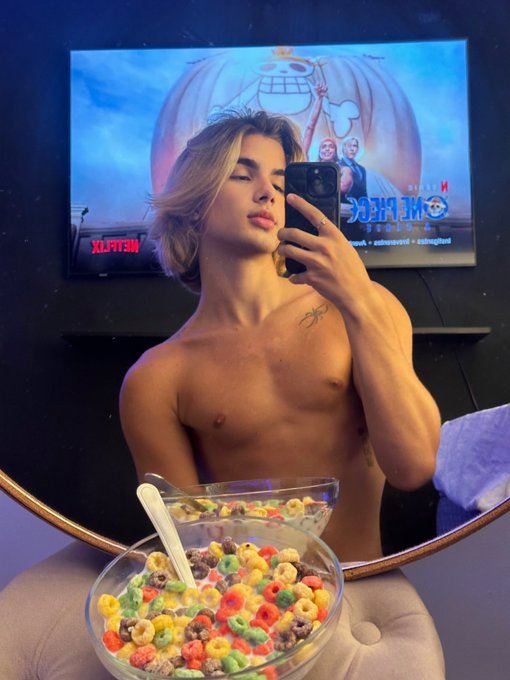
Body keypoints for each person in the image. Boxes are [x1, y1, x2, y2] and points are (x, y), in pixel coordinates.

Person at [119, 109, 440, 562]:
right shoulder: (157, 379)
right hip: (245, 601)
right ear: (193, 203)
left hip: (367, 586)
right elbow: (187, 556)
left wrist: (358, 302)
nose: (268, 192)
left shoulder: (365, 307)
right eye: (241, 175)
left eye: (281, 180)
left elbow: (414, 466)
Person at [339, 135, 367, 201]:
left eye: (355, 146)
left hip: (359, 205)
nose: (352, 149)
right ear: (343, 148)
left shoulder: (362, 169)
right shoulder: (338, 166)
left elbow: (364, 192)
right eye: (349, 146)